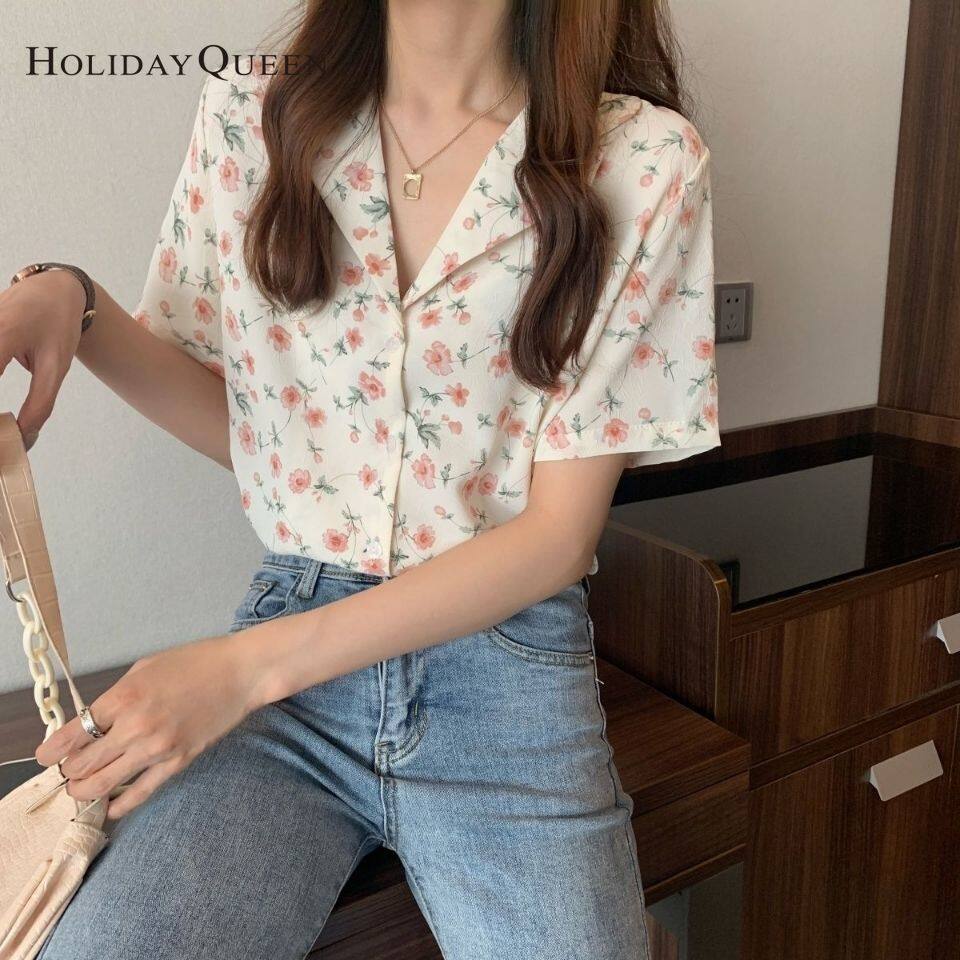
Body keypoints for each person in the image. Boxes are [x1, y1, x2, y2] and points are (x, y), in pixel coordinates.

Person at [3, 1, 719, 957]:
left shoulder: (641, 159)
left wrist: (242, 670)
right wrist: (74, 300)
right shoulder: (251, 117)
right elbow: (262, 439)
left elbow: (559, 537)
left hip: (504, 676)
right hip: (289, 664)